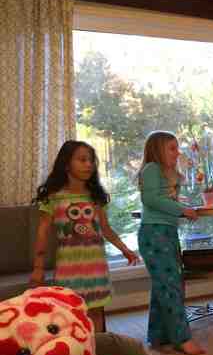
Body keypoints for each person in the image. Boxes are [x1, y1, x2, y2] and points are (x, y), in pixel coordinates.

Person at [31, 140, 138, 332]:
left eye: (91, 161)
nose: (88, 165)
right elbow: (42, 232)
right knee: (70, 315)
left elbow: (106, 229)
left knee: (96, 313)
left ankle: (97, 348)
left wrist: (125, 250)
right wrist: (38, 267)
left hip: (96, 268)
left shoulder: (95, 197)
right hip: (68, 270)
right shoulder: (53, 198)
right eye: (82, 160)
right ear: (66, 164)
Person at [137, 130, 205, 355]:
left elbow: (165, 200)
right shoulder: (151, 169)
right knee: (170, 286)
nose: (178, 152)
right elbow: (151, 199)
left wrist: (181, 207)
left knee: (164, 285)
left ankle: (158, 336)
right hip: (154, 233)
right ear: (158, 150)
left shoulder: (169, 173)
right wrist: (181, 210)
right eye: (172, 148)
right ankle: (181, 337)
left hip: (167, 232)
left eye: (178, 148)